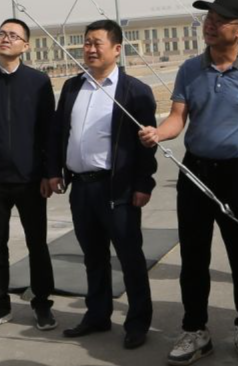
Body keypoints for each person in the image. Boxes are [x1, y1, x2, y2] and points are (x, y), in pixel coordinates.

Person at [139, 0, 238, 366]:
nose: (209, 24)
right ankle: (195, 330)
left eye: (219, 19)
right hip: (195, 171)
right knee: (194, 256)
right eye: (208, 18)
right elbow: (178, 117)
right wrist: (159, 133)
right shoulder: (190, 69)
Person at [45, 19, 159, 348]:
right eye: (87, 43)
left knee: (129, 257)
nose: (90, 49)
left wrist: (143, 184)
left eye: (97, 43)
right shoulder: (71, 87)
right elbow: (58, 134)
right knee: (92, 256)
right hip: (81, 188)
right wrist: (54, 170)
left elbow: (145, 147)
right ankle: (97, 315)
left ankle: (137, 323)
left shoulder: (135, 91)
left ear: (117, 49)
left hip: (118, 189)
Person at [0, 17, 57, 332]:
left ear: (26, 45)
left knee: (37, 244)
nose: (6, 39)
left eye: (14, 35)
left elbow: (49, 132)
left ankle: (42, 304)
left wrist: (49, 173)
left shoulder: (39, 82)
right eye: (2, 33)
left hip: (32, 180)